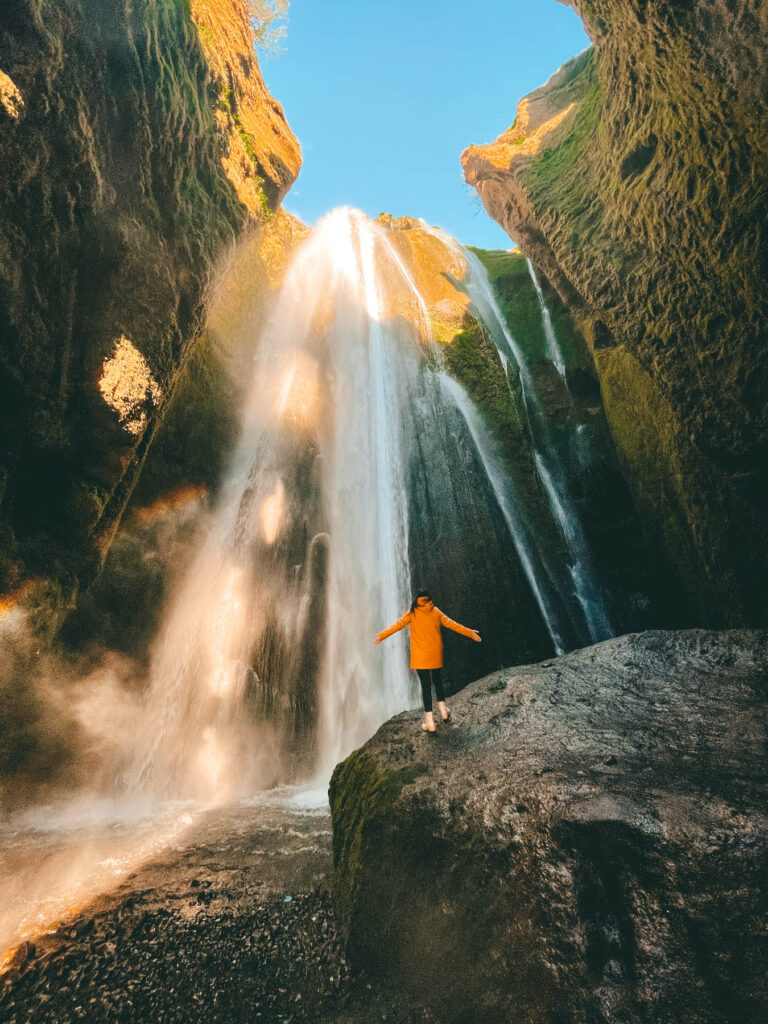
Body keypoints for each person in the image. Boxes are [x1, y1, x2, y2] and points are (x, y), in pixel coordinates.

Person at [374, 590, 481, 733]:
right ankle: (443, 710)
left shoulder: (412, 612)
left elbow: (397, 625)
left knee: (425, 686)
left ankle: (430, 721)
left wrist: (382, 635)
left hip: (420, 656)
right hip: (435, 653)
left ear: (417, 600)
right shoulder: (435, 611)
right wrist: (470, 633)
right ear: (429, 600)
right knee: (437, 680)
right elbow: (452, 624)